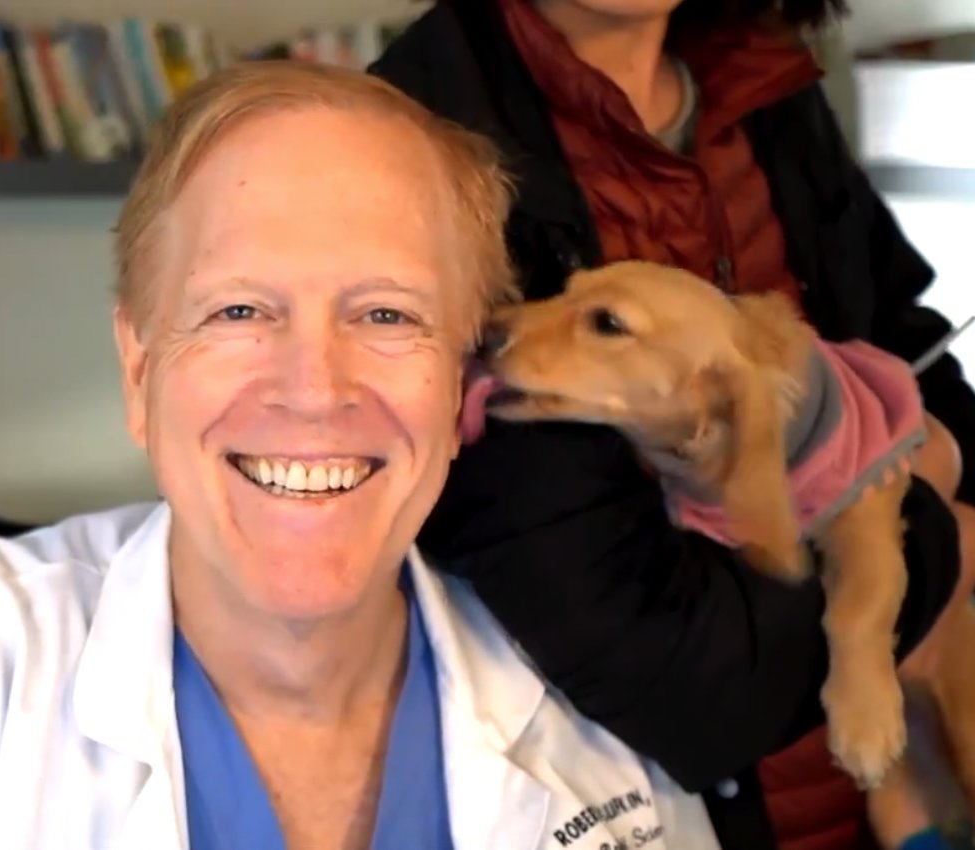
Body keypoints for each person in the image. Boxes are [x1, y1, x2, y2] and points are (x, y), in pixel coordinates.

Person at [0, 61, 730, 850]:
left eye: (386, 315)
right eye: (238, 312)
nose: (313, 389)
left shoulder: (602, 712)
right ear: (139, 369)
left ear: (463, 385)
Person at [370, 1, 975, 847]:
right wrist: (944, 536)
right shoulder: (415, 137)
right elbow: (681, 687)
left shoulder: (762, 75)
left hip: (884, 788)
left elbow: (905, 339)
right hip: (657, 811)